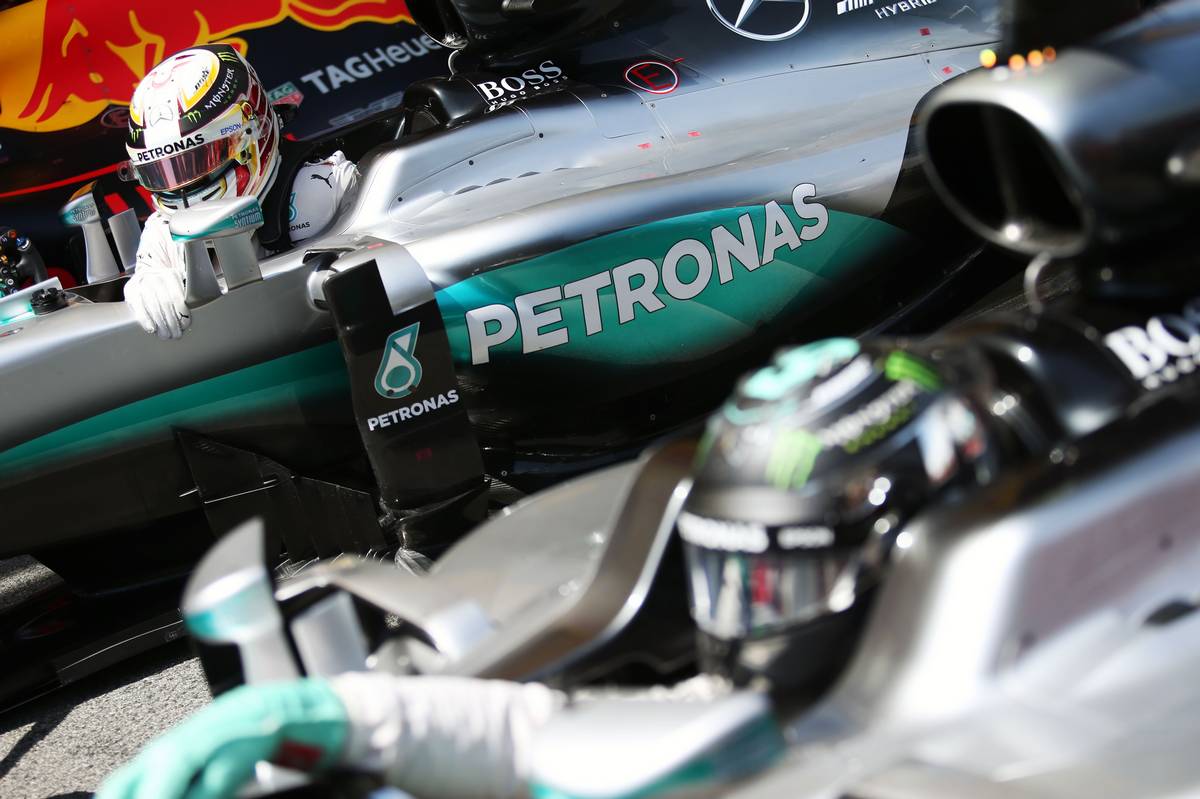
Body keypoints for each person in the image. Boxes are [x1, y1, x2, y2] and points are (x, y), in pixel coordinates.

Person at [97, 339, 1001, 799]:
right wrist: (341, 716)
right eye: (736, 579)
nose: (752, 624)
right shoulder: (797, 710)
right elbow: (553, 737)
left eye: (781, 581)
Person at [122, 44, 358, 340]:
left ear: (254, 131)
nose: (182, 186)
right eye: (164, 172)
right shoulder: (162, 233)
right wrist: (144, 282)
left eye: (199, 161)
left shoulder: (326, 188)